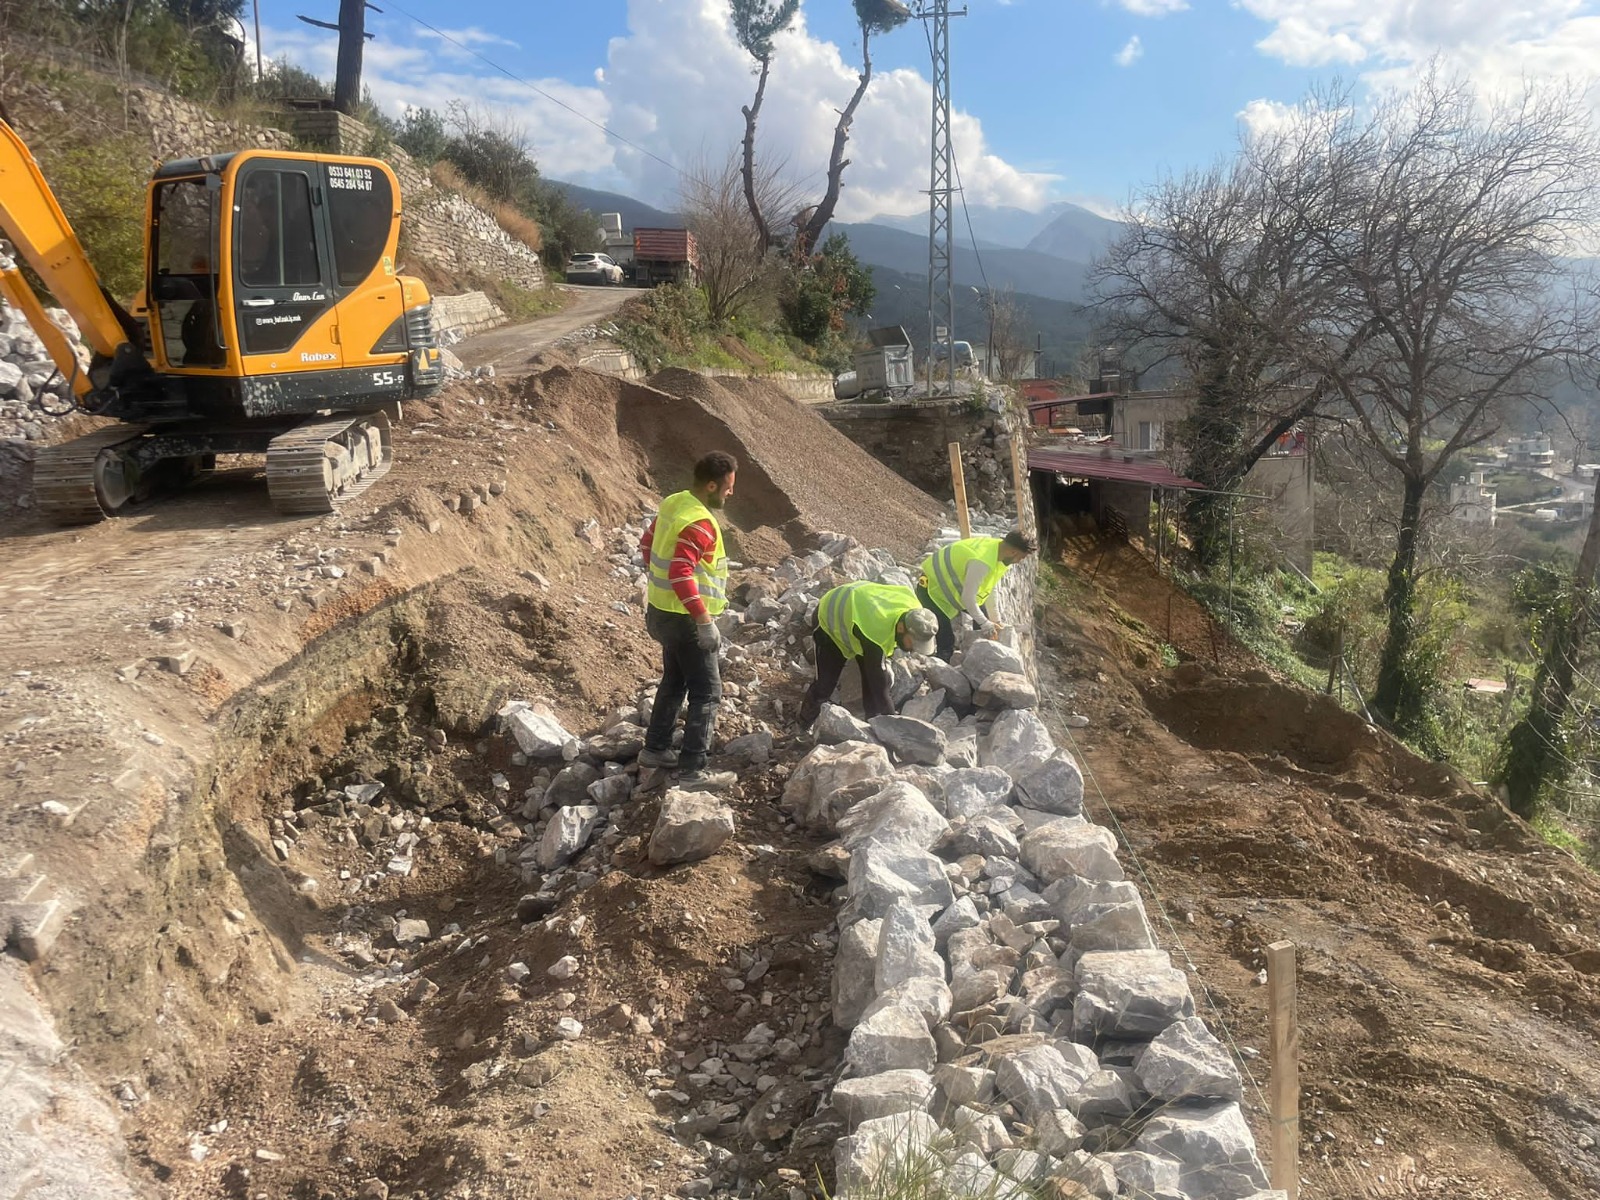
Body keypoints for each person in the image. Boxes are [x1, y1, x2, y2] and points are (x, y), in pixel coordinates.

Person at [637, 452, 738, 786]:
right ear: (711, 486)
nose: (731, 493)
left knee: (674, 679)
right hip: (685, 620)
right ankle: (694, 770)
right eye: (727, 487)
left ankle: (655, 749)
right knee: (707, 692)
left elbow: (647, 545)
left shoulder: (674, 502)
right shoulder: (700, 523)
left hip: (661, 611)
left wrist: (660, 587)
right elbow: (680, 573)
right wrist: (704, 621)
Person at [797, 582, 939, 726]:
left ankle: (872, 722)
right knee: (824, 686)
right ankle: (804, 724)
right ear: (902, 628)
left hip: (859, 614)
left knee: (872, 675)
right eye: (912, 642)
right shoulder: (876, 633)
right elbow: (879, 689)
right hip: (830, 616)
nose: (913, 649)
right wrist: (894, 728)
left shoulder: (915, 611)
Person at [916, 529, 1038, 660]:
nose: (1019, 561)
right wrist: (985, 624)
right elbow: (967, 598)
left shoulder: (997, 551)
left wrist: (994, 620)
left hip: (948, 586)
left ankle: (977, 656)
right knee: (946, 641)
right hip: (931, 589)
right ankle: (937, 665)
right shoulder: (982, 562)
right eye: (1021, 557)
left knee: (983, 623)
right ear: (1013, 552)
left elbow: (990, 587)